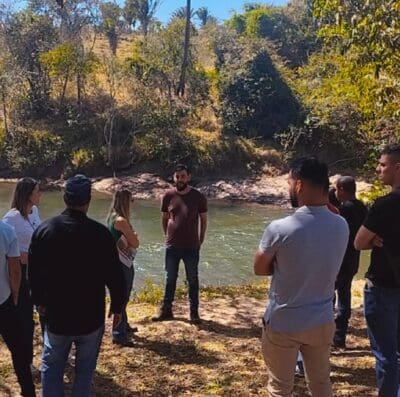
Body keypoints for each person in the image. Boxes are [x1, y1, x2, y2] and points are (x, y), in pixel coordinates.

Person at [254, 157, 349, 397]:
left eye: (289, 182)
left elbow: (259, 268)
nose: (288, 188)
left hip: (284, 320)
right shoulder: (341, 225)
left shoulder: (280, 228)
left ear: (299, 185)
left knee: (280, 387)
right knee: (320, 384)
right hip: (322, 318)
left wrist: (283, 265)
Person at [28, 174, 125, 397]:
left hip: (56, 315)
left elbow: (33, 274)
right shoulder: (100, 234)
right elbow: (115, 276)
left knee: (52, 368)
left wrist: (39, 302)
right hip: (91, 317)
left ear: (64, 198)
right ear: (88, 201)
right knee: (84, 371)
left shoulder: (45, 231)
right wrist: (118, 307)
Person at [355, 144, 400, 396]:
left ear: (397, 167)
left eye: (382, 164)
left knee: (386, 354)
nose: (378, 168)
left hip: (383, 285)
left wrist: (373, 239)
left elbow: (358, 242)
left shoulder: (385, 204)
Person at [153, 164, 208, 323]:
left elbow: (203, 220)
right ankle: (166, 310)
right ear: (173, 177)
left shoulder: (198, 197)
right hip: (172, 246)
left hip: (191, 246)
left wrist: (201, 238)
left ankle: (194, 313)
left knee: (192, 279)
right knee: (170, 278)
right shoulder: (168, 195)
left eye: (183, 176)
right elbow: (165, 219)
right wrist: (167, 236)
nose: (180, 179)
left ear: (189, 177)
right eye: (177, 176)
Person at [3, 177, 42, 367]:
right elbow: (7, 252)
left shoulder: (34, 211)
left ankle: (53, 351)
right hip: (23, 273)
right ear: (28, 195)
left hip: (39, 270)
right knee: (26, 320)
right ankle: (26, 361)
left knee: (46, 312)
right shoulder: (11, 218)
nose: (40, 194)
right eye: (37, 191)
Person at [0, 220, 36, 397]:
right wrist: (15, 293)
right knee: (18, 349)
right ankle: (28, 391)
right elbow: (15, 270)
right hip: (4, 300)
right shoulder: (6, 230)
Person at [333, 176, 367, 348]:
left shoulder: (344, 209)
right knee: (345, 296)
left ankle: (331, 334)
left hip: (339, 259)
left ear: (342, 190)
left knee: (328, 297)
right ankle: (340, 338)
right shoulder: (361, 206)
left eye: (336, 189)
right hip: (353, 258)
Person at [106, 187, 140, 346]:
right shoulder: (121, 221)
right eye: (131, 200)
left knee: (121, 295)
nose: (132, 204)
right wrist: (134, 236)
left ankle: (123, 325)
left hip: (114, 262)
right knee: (122, 296)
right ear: (126, 202)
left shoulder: (111, 217)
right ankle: (118, 333)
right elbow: (135, 242)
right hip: (122, 264)